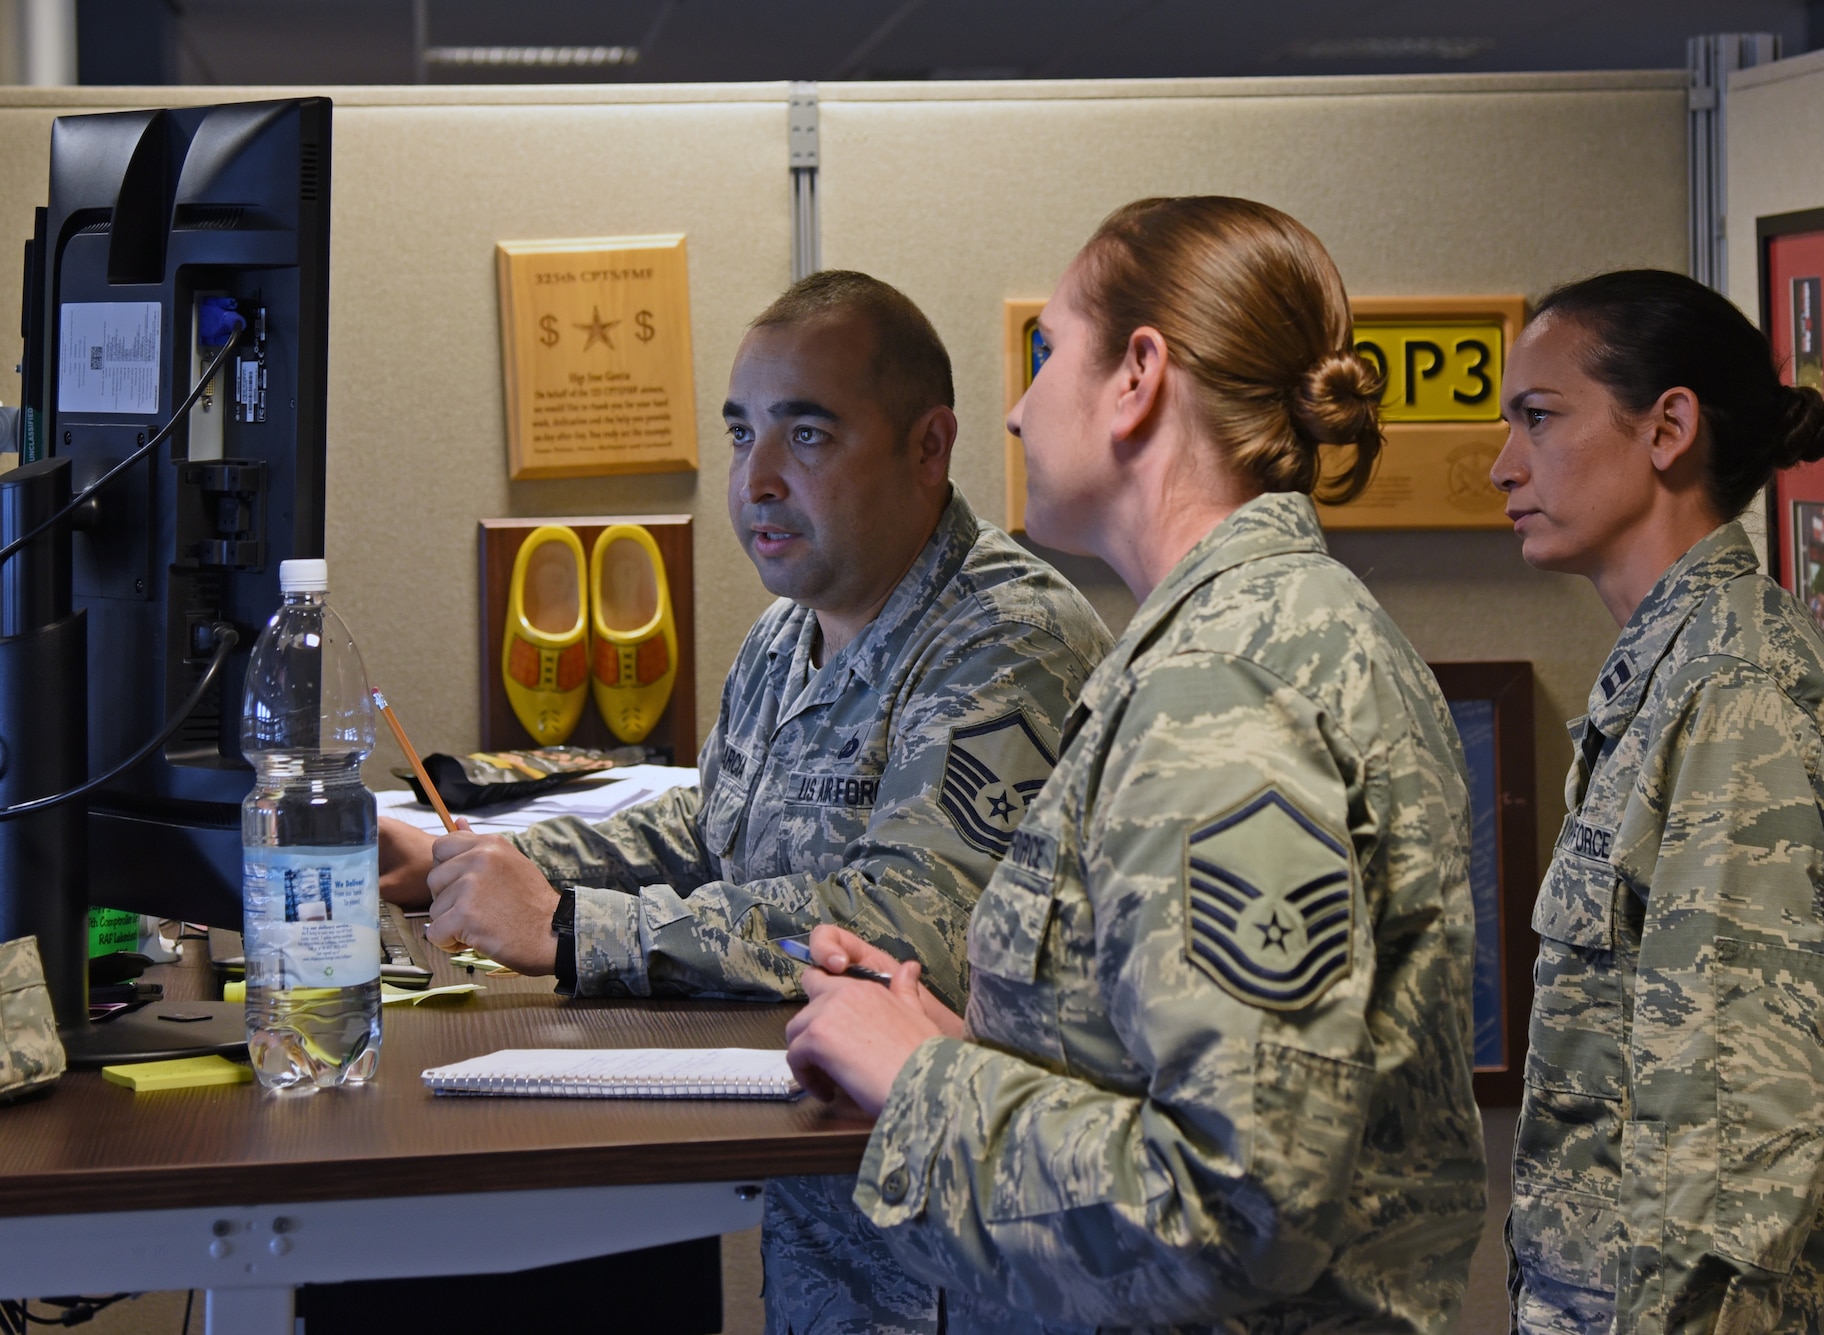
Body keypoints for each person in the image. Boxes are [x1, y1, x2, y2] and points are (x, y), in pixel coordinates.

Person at [782, 196, 1488, 1333]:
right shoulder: (1261, 634)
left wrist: (925, 1084)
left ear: (1138, 376)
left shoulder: (1222, 692)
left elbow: (1229, 1207)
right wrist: (958, 1042)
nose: (1014, 411)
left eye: (1048, 352)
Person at [378, 270, 1113, 1335]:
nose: (755, 479)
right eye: (739, 436)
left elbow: (911, 927)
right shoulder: (788, 633)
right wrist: (486, 857)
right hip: (831, 1241)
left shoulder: (1008, 641)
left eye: (805, 436)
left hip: (962, 1255)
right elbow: (712, 827)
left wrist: (570, 928)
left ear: (928, 445)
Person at [1489, 269, 1824, 1333]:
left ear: (1666, 426)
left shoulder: (1730, 690)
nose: (1502, 466)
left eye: (1538, 419)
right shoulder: (1675, 671)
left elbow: (1728, 1153)